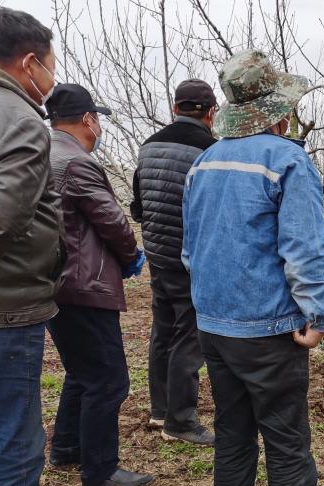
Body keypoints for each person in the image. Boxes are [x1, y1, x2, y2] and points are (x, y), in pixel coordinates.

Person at [182, 49, 324, 486]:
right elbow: (303, 249)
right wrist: (318, 313)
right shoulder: (287, 159)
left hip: (215, 326)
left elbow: (190, 250)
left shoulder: (203, 163)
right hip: (268, 329)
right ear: (279, 109)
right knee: (286, 444)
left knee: (233, 436)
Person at [0, 7, 93, 486]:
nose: (51, 76)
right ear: (29, 60)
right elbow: (0, 223)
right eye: (51, 63)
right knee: (7, 425)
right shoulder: (13, 117)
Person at [45, 83, 154, 486]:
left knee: (81, 371)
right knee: (108, 378)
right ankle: (100, 470)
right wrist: (130, 257)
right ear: (89, 119)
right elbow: (112, 221)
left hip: (55, 283)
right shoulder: (77, 162)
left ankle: (67, 448)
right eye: (98, 120)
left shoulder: (42, 153)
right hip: (83, 283)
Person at [130, 79, 218, 446]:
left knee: (163, 330)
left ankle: (160, 410)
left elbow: (137, 206)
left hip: (158, 254)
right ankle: (181, 421)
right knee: (189, 335)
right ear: (211, 113)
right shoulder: (210, 151)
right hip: (190, 259)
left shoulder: (148, 147)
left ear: (174, 108)